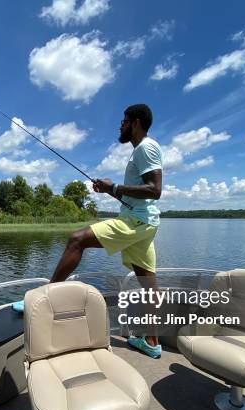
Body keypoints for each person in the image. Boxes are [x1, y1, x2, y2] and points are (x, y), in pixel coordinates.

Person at [49, 103, 163, 358]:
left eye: (124, 121)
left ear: (135, 123)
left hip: (136, 222)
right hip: (144, 223)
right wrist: (110, 189)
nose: (120, 125)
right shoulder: (140, 151)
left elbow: (155, 190)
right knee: (148, 286)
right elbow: (140, 195)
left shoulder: (146, 147)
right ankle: (152, 342)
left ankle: (43, 297)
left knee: (76, 239)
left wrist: (116, 188)